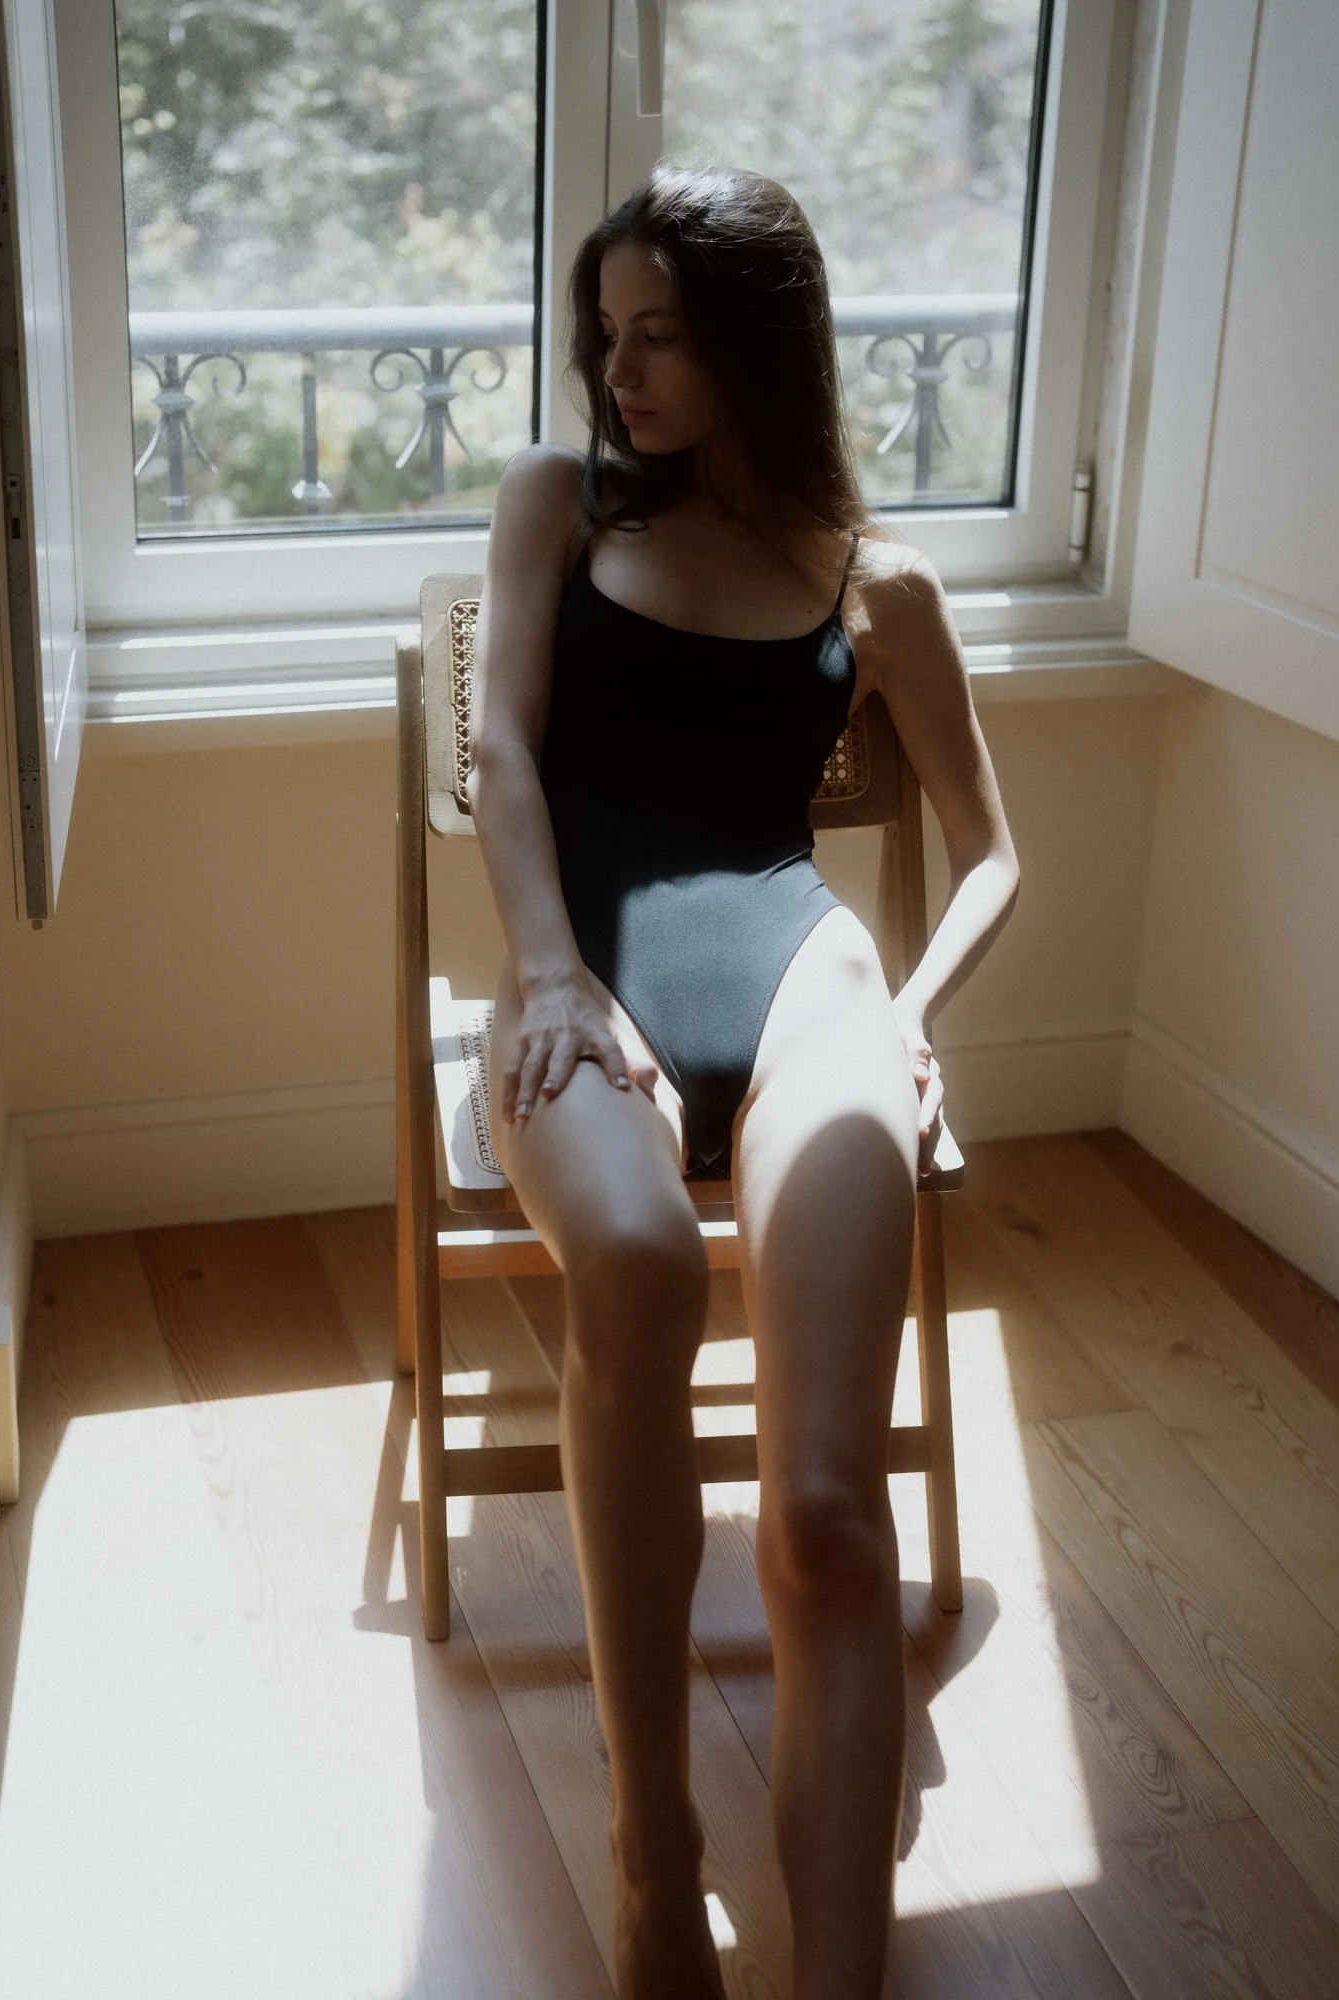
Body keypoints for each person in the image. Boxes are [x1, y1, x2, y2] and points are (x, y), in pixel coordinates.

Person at [467, 165, 1019, 2000]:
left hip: (807, 982)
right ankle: (656, 1863)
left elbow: (993, 852)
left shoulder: (874, 576)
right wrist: (555, 972)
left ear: (759, 345)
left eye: (661, 338)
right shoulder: (556, 504)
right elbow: (502, 754)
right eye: (606, 335)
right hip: (581, 980)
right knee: (638, 1266)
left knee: (827, 1515)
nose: (617, 373)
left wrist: (913, 1011)